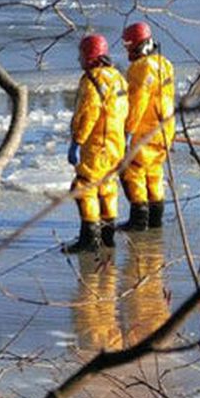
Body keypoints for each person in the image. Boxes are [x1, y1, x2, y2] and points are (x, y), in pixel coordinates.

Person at [64, 34, 129, 254]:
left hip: (97, 145)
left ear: (90, 56)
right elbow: (125, 109)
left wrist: (77, 141)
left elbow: (89, 113)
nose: (79, 60)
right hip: (115, 144)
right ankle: (107, 236)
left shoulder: (92, 80)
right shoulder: (117, 77)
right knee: (107, 186)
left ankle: (89, 239)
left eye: (81, 55)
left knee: (84, 187)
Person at [119, 22, 175, 231]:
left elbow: (138, 103)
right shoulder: (165, 63)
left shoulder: (141, 68)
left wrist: (128, 131)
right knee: (154, 172)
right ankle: (155, 219)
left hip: (144, 129)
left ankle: (139, 219)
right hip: (164, 128)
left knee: (133, 171)